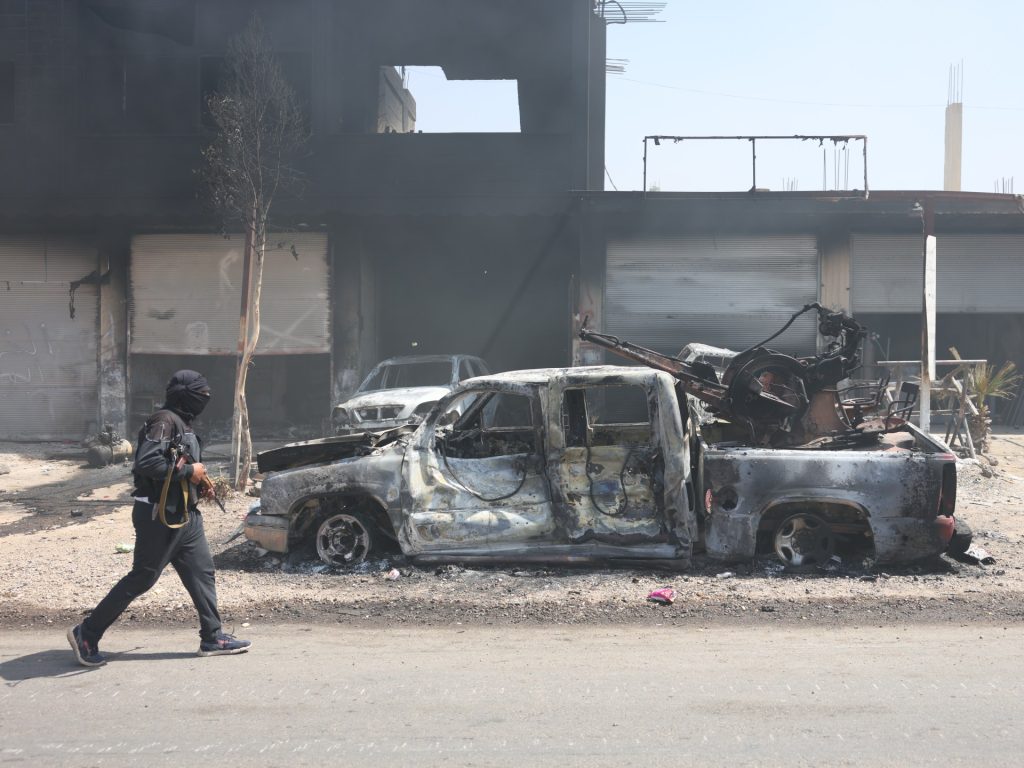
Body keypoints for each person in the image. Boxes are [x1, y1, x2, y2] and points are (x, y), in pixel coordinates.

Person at [68, 370, 250, 666]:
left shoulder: (181, 423)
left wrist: (198, 484)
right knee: (143, 578)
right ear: (186, 397)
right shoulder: (164, 421)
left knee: (202, 572)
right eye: (200, 395)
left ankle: (213, 636)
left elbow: (174, 465)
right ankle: (86, 633)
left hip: (185, 515)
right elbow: (147, 462)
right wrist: (190, 471)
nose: (205, 399)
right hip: (160, 516)